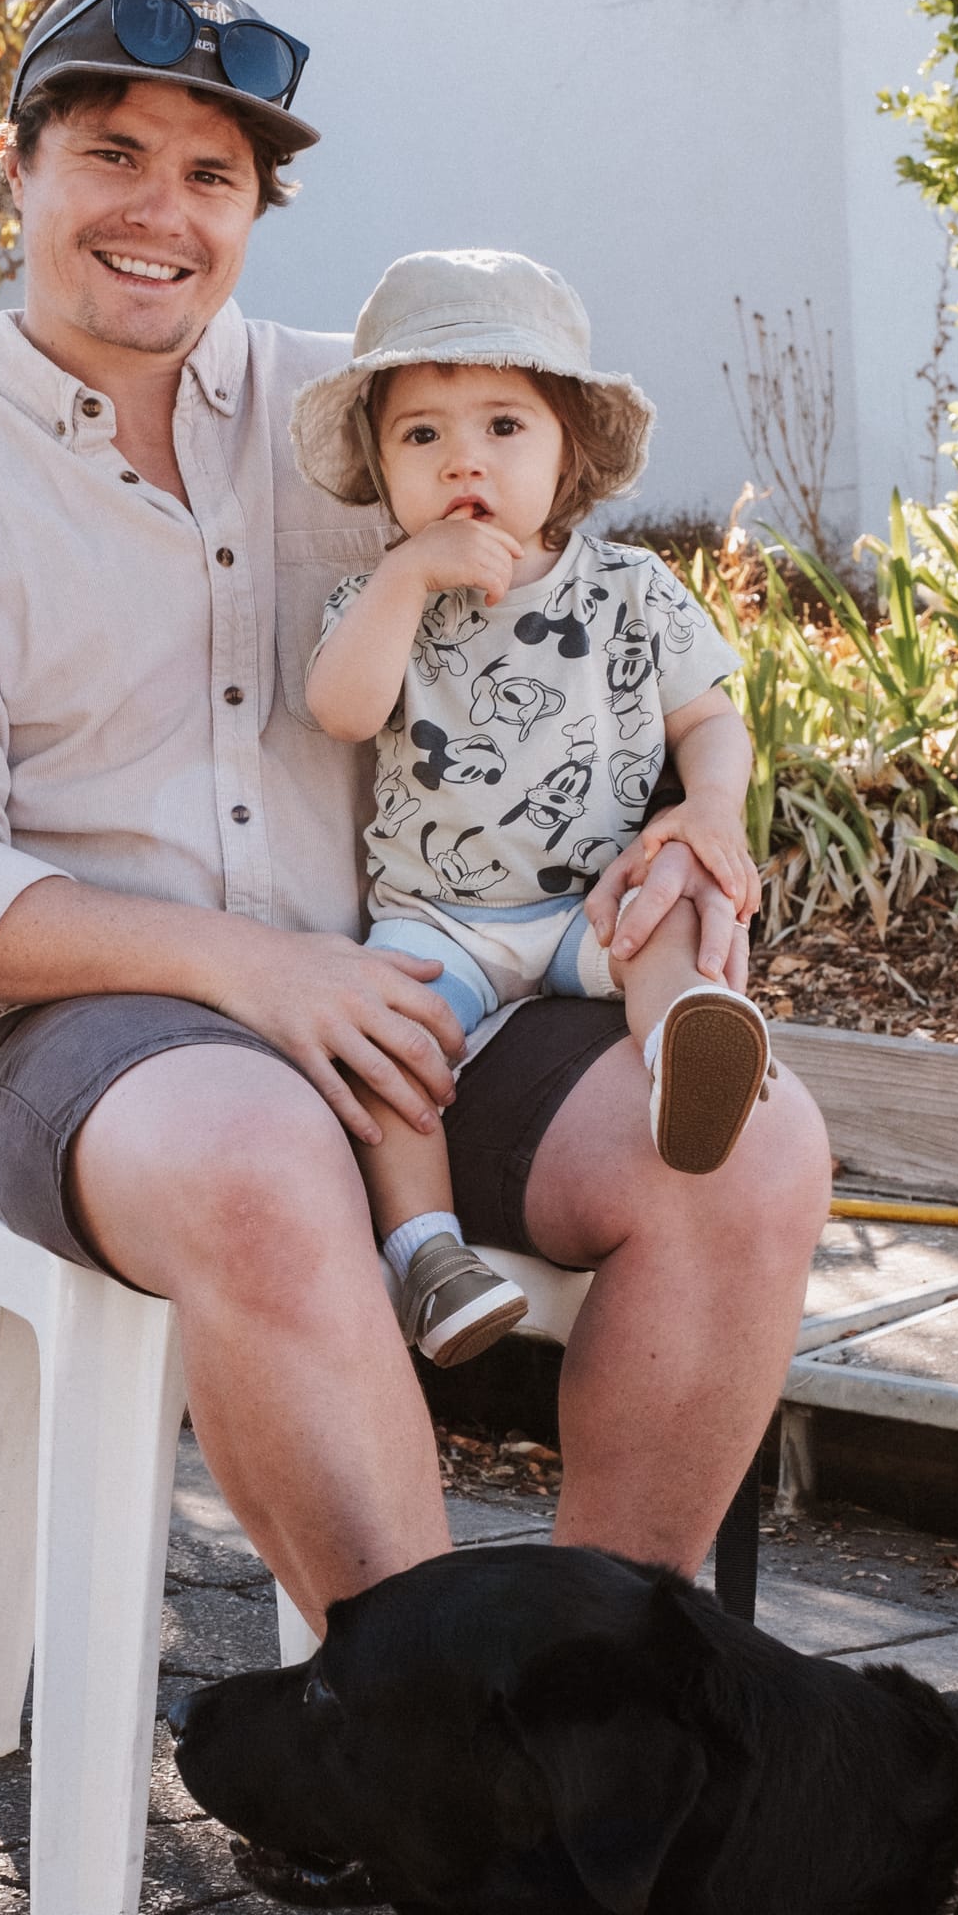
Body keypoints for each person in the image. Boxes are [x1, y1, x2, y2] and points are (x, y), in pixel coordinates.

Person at [0, 0, 833, 1635]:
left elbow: (587, 631)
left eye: (212, 176)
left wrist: (680, 827)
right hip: (108, 1042)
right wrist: (253, 974)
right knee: (265, 1155)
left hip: (432, 988)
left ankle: (606, 1711)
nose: (163, 212)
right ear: (17, 167)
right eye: (115, 154)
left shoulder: (372, 411)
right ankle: (421, 1752)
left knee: (749, 1149)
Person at [288, 248, 778, 1369]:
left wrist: (707, 812)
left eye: (503, 426)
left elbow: (709, 721)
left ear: (571, 457)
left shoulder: (632, 592)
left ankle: (682, 1062)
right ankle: (426, 1253)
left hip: (582, 901)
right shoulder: (375, 601)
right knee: (393, 1049)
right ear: (381, 467)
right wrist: (408, 579)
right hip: (437, 920)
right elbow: (343, 711)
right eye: (421, 435)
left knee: (661, 928)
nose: (461, 457)